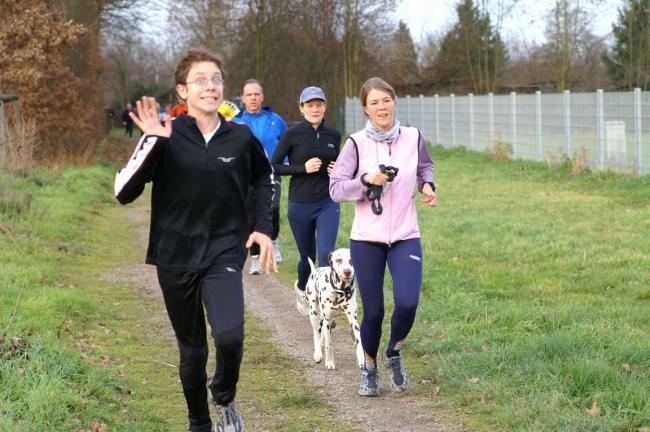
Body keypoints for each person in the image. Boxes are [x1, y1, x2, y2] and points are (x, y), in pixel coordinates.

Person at [114, 49, 276, 432]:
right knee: (192, 350)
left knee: (230, 335)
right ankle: (199, 422)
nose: (210, 85)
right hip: (174, 255)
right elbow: (123, 191)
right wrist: (152, 141)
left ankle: (223, 394)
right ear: (183, 90)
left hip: (224, 249)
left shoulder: (240, 136)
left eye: (216, 78)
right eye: (201, 80)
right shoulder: (166, 134)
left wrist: (263, 227)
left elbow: (265, 179)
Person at [329, 77, 437, 397]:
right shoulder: (356, 143)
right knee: (373, 311)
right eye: (374, 102)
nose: (382, 107)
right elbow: (336, 189)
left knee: (407, 302)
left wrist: (427, 185)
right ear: (365, 108)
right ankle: (369, 366)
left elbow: (425, 167)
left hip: (405, 234)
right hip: (367, 239)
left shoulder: (413, 137)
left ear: (394, 101)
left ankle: (394, 352)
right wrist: (366, 180)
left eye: (386, 100)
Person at [270, 86, 341, 314]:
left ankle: (324, 302)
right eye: (309, 105)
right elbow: (274, 166)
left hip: (327, 202)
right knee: (307, 257)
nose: (315, 109)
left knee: (325, 253)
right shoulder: (292, 134)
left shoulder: (334, 135)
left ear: (325, 107)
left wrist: (337, 170)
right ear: (301, 109)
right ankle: (302, 287)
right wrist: (302, 168)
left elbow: (341, 165)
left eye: (319, 104)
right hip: (300, 204)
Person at [233, 79, 288, 275]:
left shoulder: (276, 120)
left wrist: (287, 162)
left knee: (272, 207)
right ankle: (255, 258)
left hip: (271, 172)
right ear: (243, 98)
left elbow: (287, 142)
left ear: (262, 97)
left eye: (256, 94)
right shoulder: (235, 122)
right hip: (245, 175)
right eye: (249, 95)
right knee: (250, 213)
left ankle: (272, 241)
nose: (253, 98)